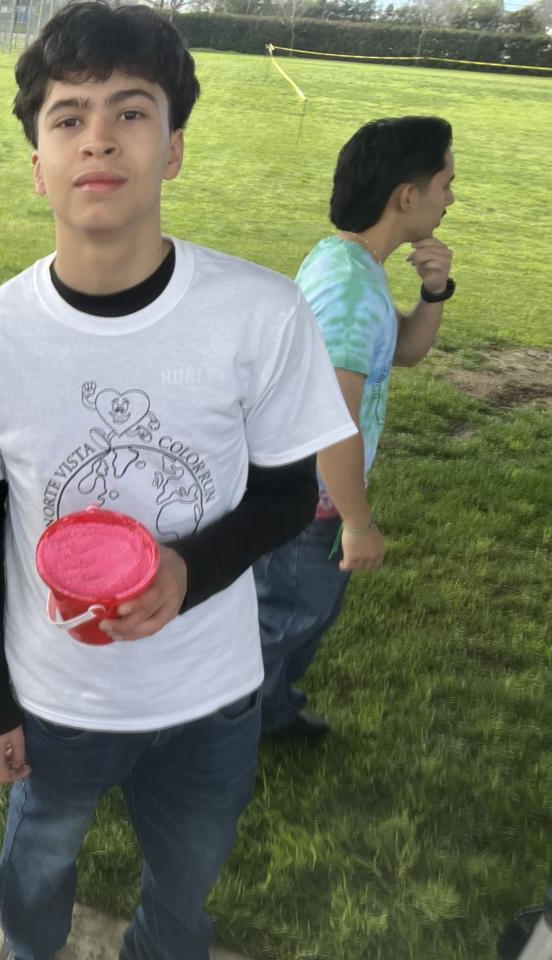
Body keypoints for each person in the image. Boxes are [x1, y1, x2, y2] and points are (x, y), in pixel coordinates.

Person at [0, 4, 357, 959]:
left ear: (174, 148)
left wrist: (185, 572)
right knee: (37, 870)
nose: (99, 138)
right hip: (57, 701)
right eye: (68, 117)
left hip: (212, 697)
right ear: (38, 163)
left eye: (131, 111)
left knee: (185, 889)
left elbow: (287, 497)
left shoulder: (262, 315)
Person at [254, 116, 455, 740]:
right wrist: (358, 521)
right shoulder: (348, 290)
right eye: (446, 183)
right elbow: (332, 423)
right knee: (285, 619)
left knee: (304, 614)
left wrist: (435, 292)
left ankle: (272, 714)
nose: (451, 198)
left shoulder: (349, 260)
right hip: (307, 500)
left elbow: (405, 350)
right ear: (407, 196)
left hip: (316, 494)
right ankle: (222, 736)